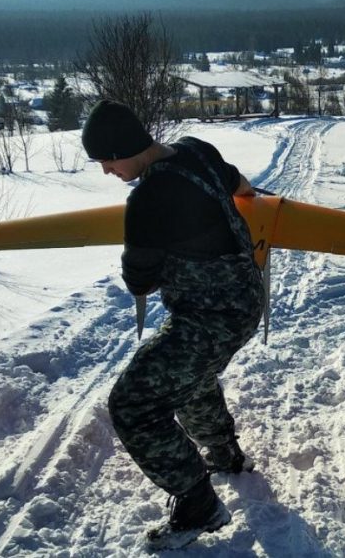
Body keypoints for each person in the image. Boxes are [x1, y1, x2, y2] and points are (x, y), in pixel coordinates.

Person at [81, 100, 264, 549]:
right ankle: (225, 455)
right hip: (244, 299)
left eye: (106, 160)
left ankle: (199, 503)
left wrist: (155, 242)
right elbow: (242, 186)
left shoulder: (145, 200)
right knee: (188, 375)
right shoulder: (196, 149)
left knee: (133, 404)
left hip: (210, 317)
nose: (106, 170)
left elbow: (138, 281)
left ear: (123, 149)